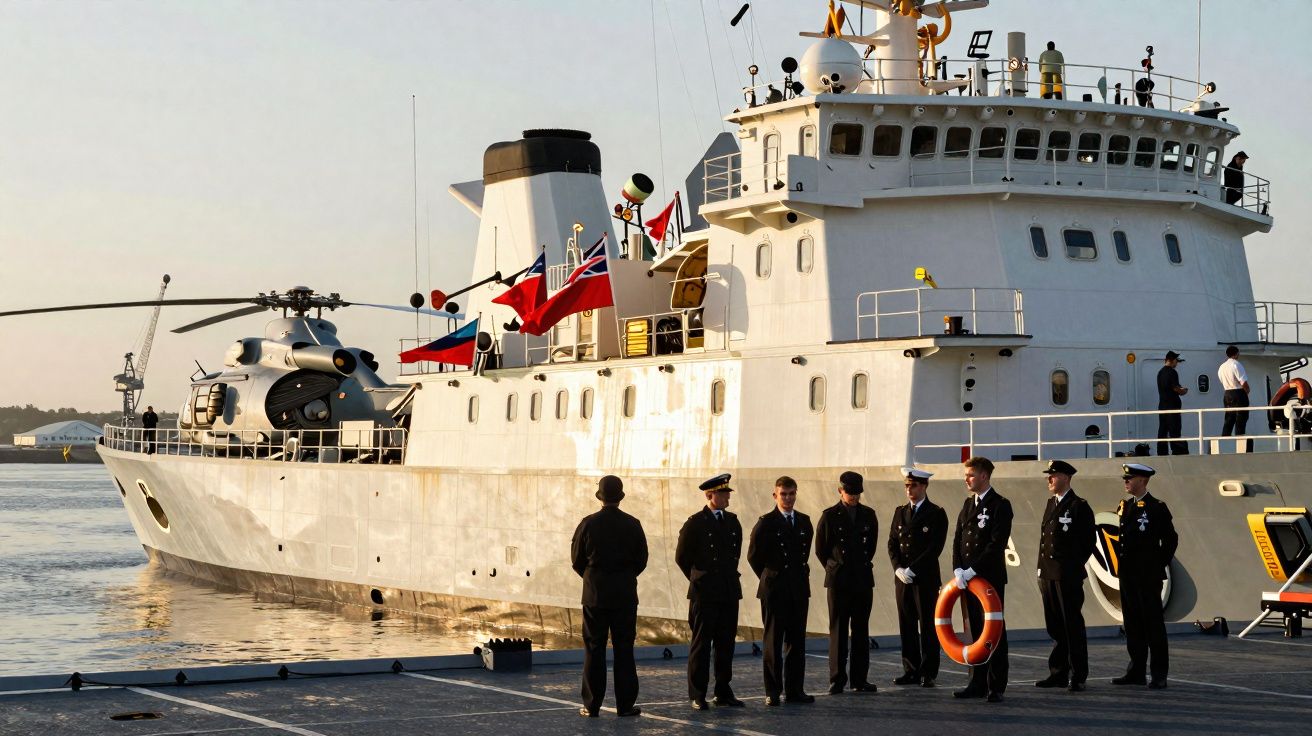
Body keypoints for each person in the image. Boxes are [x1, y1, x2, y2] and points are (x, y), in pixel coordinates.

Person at [571, 475, 648, 718]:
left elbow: (577, 560)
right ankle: (625, 705)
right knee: (624, 649)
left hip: (595, 595)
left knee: (594, 648)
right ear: (621, 496)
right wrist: (624, 577)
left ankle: (591, 705)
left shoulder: (588, 524)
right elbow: (641, 560)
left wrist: (593, 578)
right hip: (624, 594)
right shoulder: (633, 524)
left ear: (599, 496)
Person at [675, 473, 744, 710]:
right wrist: (698, 579)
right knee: (701, 645)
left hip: (728, 591)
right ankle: (697, 694)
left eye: (727, 493)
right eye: (723, 493)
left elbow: (735, 554)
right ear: (710, 495)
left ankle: (723, 691)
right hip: (704, 593)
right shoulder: (695, 523)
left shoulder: (733, 521)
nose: (727, 497)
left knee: (726, 644)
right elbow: (682, 557)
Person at [747, 476, 814, 706]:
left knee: (797, 642)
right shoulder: (766, 523)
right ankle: (773, 691)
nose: (788, 498)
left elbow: (804, 554)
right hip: (774, 590)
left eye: (792, 493)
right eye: (783, 494)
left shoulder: (804, 522)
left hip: (797, 589)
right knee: (773, 642)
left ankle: (795, 691)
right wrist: (770, 578)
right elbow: (754, 557)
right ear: (775, 495)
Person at [951, 456, 1013, 703]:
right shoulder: (967, 505)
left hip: (988, 579)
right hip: (967, 580)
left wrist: (972, 570)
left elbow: (996, 543)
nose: (967, 479)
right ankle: (976, 683)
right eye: (966, 475)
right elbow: (957, 540)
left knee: (993, 631)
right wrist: (958, 569)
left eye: (971, 475)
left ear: (985, 476)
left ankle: (996, 685)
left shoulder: (1000, 505)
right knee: (974, 632)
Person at [1112, 463, 1178, 690]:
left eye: (1129, 478)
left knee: (1153, 625)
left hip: (1147, 576)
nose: (1126, 482)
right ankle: (1136, 671)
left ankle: (1159, 674)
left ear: (1142, 480)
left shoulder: (1156, 507)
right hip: (1128, 575)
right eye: (1125, 479)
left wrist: (1157, 564)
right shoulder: (1125, 506)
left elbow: (1170, 540)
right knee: (1132, 624)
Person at [815, 470, 879, 694]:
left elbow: (870, 547)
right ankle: (837, 679)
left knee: (861, 631)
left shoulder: (869, 515)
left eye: (857, 493)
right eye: (849, 493)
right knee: (839, 631)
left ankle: (859, 679)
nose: (853, 497)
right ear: (840, 491)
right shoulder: (830, 516)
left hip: (861, 579)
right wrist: (836, 567)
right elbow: (821, 550)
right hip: (839, 581)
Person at [1035, 461, 1096, 692]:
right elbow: (1045, 540)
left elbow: (1088, 541)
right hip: (1048, 574)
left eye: (1053, 475)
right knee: (1055, 626)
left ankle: (1078, 674)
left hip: (1067, 575)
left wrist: (1072, 566)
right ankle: (1058, 673)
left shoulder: (1079, 506)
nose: (1049, 480)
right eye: (1048, 476)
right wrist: (1040, 568)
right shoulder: (1051, 503)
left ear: (1066, 478)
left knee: (1072, 626)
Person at [887, 467, 948, 688]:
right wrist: (898, 568)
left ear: (923, 486)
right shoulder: (900, 512)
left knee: (928, 626)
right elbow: (892, 543)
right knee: (907, 624)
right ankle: (910, 670)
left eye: (913, 485)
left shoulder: (936, 513)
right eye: (906, 486)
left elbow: (935, 547)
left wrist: (913, 568)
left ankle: (928, 672)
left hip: (925, 578)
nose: (909, 490)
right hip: (903, 579)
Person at [1218, 345, 1252, 452]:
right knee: (1240, 419)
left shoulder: (1222, 367)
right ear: (1236, 353)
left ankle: (1224, 442)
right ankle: (1240, 443)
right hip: (1238, 393)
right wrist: (1246, 391)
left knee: (1229, 419)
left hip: (1227, 394)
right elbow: (1243, 382)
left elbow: (1222, 381)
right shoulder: (1236, 364)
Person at [1156, 352, 1188, 456]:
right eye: (1176, 361)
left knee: (1163, 430)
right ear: (1172, 360)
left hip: (1162, 406)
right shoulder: (1172, 372)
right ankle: (1177, 451)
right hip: (1172, 406)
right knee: (1174, 430)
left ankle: (1161, 452)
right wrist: (1183, 391)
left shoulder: (1160, 373)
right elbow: (1176, 388)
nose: (1177, 363)